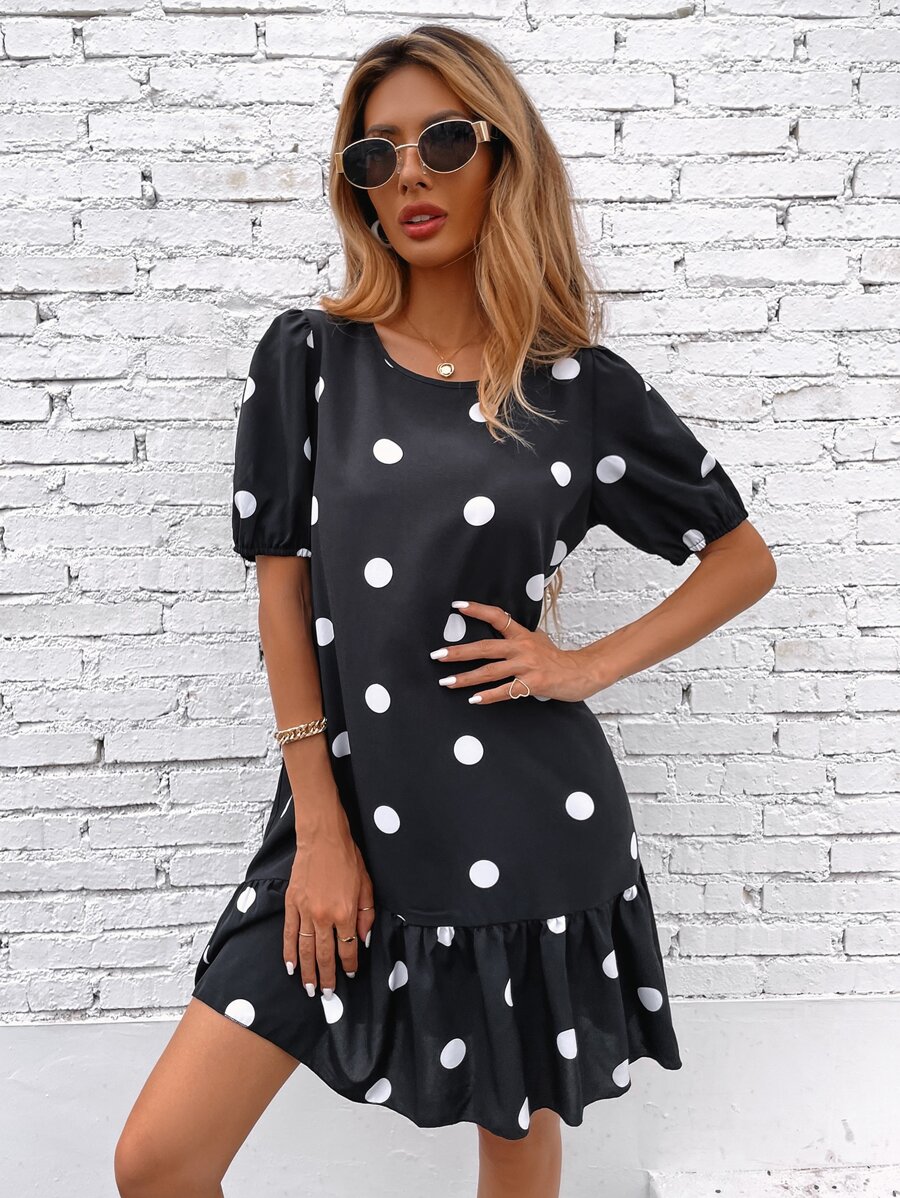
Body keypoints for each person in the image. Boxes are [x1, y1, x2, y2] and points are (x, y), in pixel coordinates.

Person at [114, 23, 777, 1198]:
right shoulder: (309, 358)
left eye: (445, 141)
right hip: (342, 812)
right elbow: (282, 591)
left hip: (527, 822)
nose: (410, 174)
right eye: (377, 155)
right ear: (358, 188)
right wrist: (322, 831)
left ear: (502, 157)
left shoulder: (578, 391)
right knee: (160, 1161)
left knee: (514, 1152)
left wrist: (584, 664)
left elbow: (740, 558)